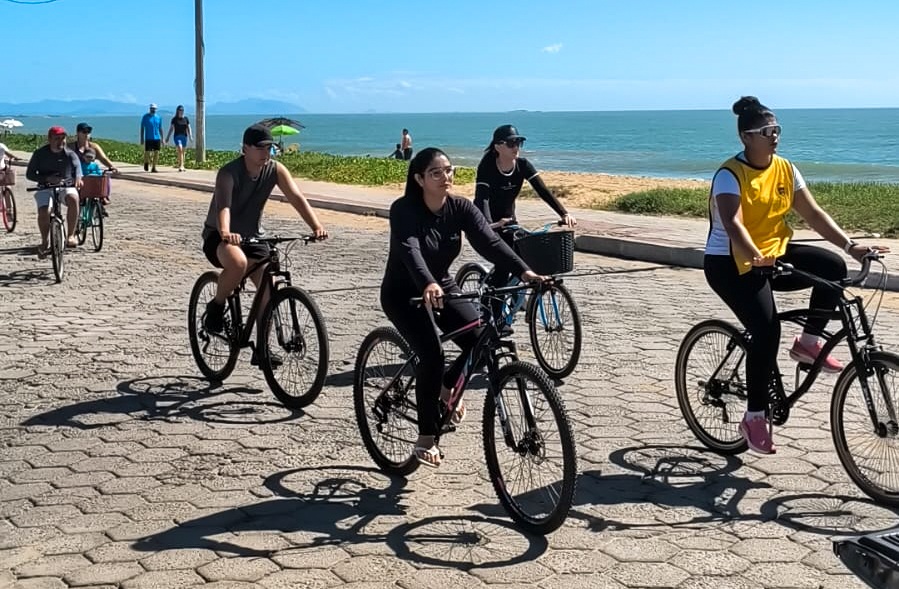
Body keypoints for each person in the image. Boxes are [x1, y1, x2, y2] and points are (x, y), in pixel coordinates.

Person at [703, 96, 889, 455]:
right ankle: (755, 415)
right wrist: (756, 256)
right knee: (766, 329)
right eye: (766, 131)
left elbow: (814, 214)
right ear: (746, 138)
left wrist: (851, 247)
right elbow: (733, 223)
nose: (775, 136)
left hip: (773, 254)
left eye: (777, 130)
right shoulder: (730, 175)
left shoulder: (786, 169)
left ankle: (808, 343)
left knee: (832, 267)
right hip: (730, 263)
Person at [380, 147, 544, 468]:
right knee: (432, 355)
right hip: (404, 293)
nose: (446, 177)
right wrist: (427, 282)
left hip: (443, 285)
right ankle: (426, 437)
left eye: (449, 170)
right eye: (436, 173)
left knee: (480, 340)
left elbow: (490, 242)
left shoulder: (461, 208)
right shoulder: (403, 210)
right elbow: (411, 251)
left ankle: (446, 388)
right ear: (419, 178)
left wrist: (526, 270)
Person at [201, 124, 328, 354]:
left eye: (270, 147)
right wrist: (225, 232)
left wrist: (316, 226)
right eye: (260, 148)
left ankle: (263, 349)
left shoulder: (276, 169)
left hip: (253, 237)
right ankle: (217, 305)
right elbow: (224, 206)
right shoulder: (228, 173)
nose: (266, 153)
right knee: (237, 263)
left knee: (267, 289)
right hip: (219, 236)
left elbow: (296, 197)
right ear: (245, 149)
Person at [474, 124, 576, 321]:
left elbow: (543, 191)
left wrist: (564, 213)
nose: (516, 147)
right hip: (487, 225)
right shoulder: (487, 166)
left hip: (510, 222)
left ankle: (512, 295)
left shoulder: (523, 165)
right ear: (498, 146)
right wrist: (489, 225)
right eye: (512, 143)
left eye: (519, 142)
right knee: (505, 264)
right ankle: (494, 322)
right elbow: (482, 199)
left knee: (526, 257)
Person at [25, 126, 83, 254]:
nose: (61, 141)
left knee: (74, 198)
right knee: (44, 211)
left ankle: (71, 235)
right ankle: (44, 241)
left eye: (63, 139)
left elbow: (77, 166)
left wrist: (78, 178)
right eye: (57, 138)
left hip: (64, 186)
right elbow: (29, 174)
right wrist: (46, 178)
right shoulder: (39, 154)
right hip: (45, 187)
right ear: (50, 139)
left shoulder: (69, 154)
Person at [164, 105, 192, 172]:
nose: (181, 111)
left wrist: (190, 136)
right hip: (177, 136)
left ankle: (182, 165)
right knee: (180, 148)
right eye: (180, 110)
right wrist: (167, 137)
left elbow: (189, 128)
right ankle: (181, 166)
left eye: (182, 110)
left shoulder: (186, 119)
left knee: (183, 151)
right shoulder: (174, 119)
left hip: (184, 136)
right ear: (177, 111)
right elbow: (171, 129)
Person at [140, 103, 164, 172]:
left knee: (157, 152)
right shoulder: (145, 117)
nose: (153, 110)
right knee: (147, 152)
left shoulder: (158, 118)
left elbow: (160, 128)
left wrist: (162, 138)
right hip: (148, 138)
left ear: (156, 109)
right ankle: (146, 162)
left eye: (154, 109)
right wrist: (141, 138)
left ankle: (154, 167)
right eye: (152, 108)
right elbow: (142, 128)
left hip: (157, 138)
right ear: (150, 109)